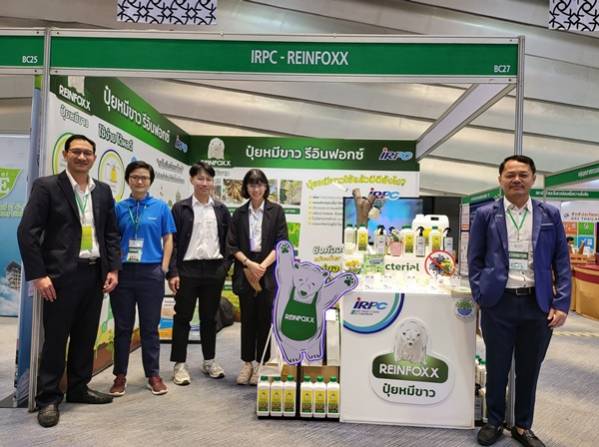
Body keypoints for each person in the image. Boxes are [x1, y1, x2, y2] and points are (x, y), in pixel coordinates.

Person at [17, 134, 121, 428]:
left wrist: (113, 269)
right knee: (55, 339)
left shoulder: (103, 191)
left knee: (86, 336)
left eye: (87, 153)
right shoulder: (47, 187)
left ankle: (78, 387)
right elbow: (27, 232)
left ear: (94, 157)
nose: (82, 157)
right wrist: (39, 275)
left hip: (94, 274)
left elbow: (111, 233)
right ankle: (49, 398)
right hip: (60, 277)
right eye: (76, 151)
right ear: (65, 154)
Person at [468, 155, 571, 447]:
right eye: (510, 175)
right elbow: (474, 259)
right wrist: (480, 294)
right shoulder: (485, 215)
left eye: (523, 175)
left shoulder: (549, 214)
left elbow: (561, 261)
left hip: (537, 305)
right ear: (500, 179)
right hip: (498, 303)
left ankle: (523, 426)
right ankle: (494, 422)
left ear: (533, 179)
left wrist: (562, 303)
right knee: (497, 366)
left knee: (529, 369)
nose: (516, 180)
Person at [108, 161, 176, 397]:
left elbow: (168, 239)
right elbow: (112, 240)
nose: (139, 181)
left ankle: (153, 375)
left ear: (150, 181)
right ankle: (120, 375)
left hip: (151, 274)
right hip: (124, 273)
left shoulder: (160, 207)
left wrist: (163, 268)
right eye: (135, 177)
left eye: (144, 178)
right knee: (123, 327)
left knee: (150, 328)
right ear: (128, 180)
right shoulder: (119, 208)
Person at [167, 161, 231, 384]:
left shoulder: (221, 210)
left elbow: (229, 242)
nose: (204, 183)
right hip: (187, 270)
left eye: (208, 179)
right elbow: (172, 243)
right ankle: (179, 364)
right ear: (192, 180)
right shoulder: (180, 208)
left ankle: (209, 361)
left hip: (214, 270)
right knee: (182, 317)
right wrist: (173, 272)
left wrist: (224, 268)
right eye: (200, 178)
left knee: (209, 318)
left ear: (213, 182)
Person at [227, 169, 288, 385]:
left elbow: (282, 243)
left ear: (265, 187)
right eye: (252, 185)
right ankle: (247, 364)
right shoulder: (239, 214)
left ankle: (262, 364)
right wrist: (249, 263)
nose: (256, 189)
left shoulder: (276, 211)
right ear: (246, 188)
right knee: (247, 319)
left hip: (267, 269)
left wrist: (262, 266)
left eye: (260, 184)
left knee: (264, 319)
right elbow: (231, 245)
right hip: (246, 269)